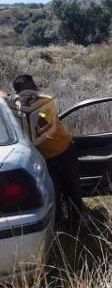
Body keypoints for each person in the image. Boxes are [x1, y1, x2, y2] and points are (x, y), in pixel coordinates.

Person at [11, 74, 84, 226]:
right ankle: (58, 224)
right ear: (20, 92)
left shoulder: (45, 101)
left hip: (64, 150)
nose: (32, 90)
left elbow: (43, 124)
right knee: (53, 193)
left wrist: (24, 109)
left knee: (73, 189)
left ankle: (76, 223)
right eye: (27, 89)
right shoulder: (18, 107)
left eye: (33, 86)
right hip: (45, 158)